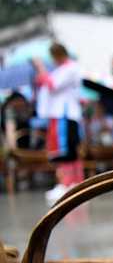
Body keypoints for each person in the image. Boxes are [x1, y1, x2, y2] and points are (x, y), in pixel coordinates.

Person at [32, 42, 84, 203]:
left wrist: (41, 68)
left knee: (65, 150)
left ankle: (68, 184)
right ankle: (72, 183)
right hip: (61, 114)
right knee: (67, 150)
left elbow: (53, 85)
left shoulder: (70, 68)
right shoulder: (62, 69)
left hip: (64, 114)